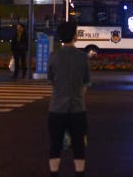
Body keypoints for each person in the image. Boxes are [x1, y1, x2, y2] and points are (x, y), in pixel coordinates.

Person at [48, 21, 90, 177]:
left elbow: (52, 80)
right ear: (75, 36)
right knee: (79, 145)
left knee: (55, 145)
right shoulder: (83, 57)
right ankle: (79, 174)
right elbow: (85, 83)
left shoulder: (53, 57)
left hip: (56, 108)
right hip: (78, 108)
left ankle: (54, 174)